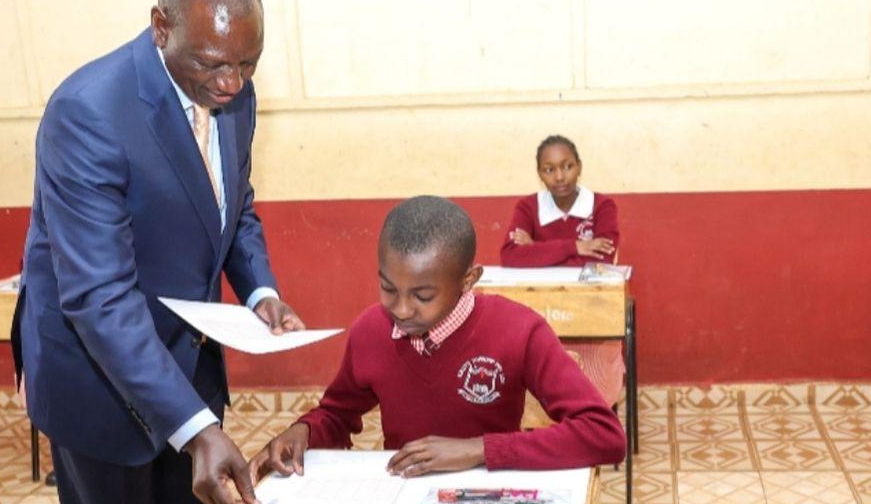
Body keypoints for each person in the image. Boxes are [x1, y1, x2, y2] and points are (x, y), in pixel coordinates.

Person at [10, 0, 306, 504]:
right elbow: (99, 297)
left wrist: (259, 292)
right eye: (212, 64)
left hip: (188, 364)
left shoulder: (236, 92)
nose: (230, 83)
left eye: (248, 63)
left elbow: (232, 206)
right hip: (96, 378)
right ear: (161, 27)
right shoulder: (87, 112)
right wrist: (196, 430)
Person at [249, 196, 625, 483]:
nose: (402, 308)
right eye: (387, 288)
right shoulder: (370, 331)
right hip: (404, 498)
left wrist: (478, 450)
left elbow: (605, 434)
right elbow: (337, 413)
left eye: (423, 296)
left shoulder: (519, 330)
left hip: (488, 501)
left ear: (468, 280)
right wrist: (305, 430)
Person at [499, 135, 624, 406]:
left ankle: (593, 414)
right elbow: (511, 256)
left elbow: (600, 263)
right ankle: (542, 422)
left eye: (567, 166)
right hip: (541, 309)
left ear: (579, 167)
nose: (559, 176)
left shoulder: (601, 206)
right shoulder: (528, 207)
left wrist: (537, 250)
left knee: (591, 368)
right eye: (549, 169)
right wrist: (576, 246)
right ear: (540, 174)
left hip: (590, 309)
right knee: (526, 357)